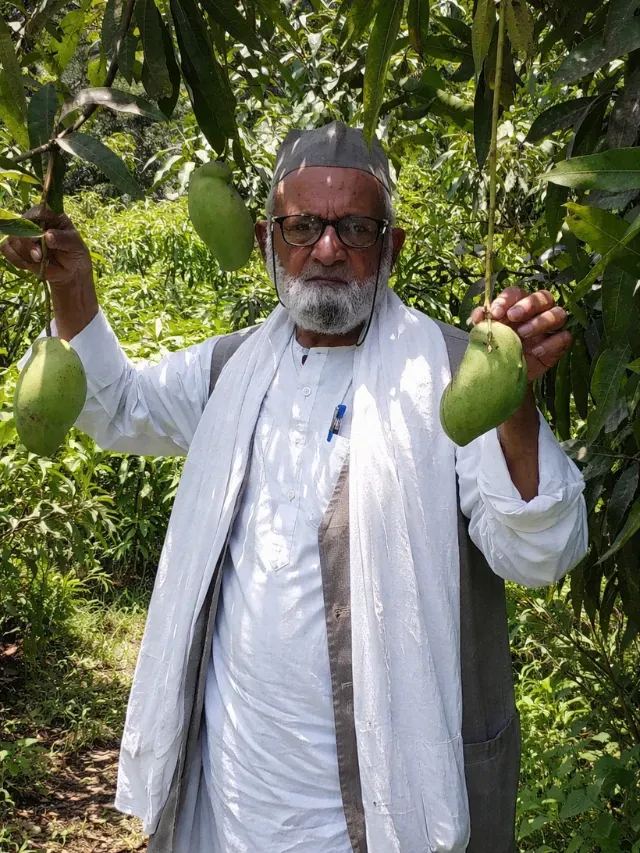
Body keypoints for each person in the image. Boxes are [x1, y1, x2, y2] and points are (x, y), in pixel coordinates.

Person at [7, 122, 587, 853]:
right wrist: (73, 288)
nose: (327, 248)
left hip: (383, 815)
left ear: (393, 246)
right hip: (234, 798)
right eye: (302, 224)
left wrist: (515, 407)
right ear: (265, 240)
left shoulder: (449, 373)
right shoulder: (235, 367)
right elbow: (119, 405)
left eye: (356, 227)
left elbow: (539, 552)